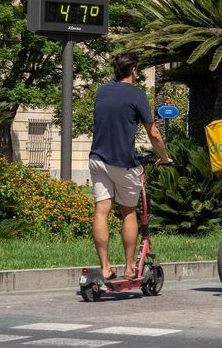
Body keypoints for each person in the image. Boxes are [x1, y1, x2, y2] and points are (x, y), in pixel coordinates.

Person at [89, 52, 172, 280]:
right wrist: (164, 158)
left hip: (97, 159)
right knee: (128, 212)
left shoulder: (102, 90)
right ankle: (128, 267)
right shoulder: (137, 95)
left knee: (101, 211)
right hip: (122, 163)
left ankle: (105, 267)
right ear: (133, 70)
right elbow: (153, 133)